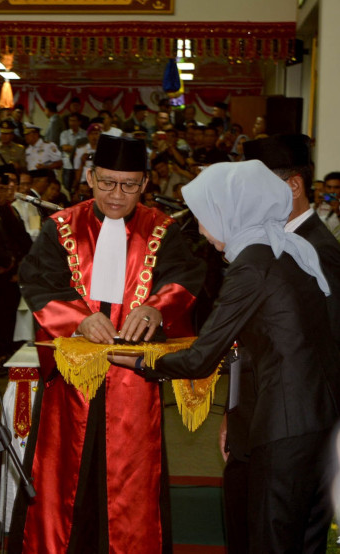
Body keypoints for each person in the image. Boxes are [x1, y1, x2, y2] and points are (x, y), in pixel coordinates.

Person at [111, 160, 340, 554]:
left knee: (273, 539)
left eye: (203, 216)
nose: (200, 229)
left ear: (229, 211)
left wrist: (142, 362)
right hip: (317, 418)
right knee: (307, 539)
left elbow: (202, 356)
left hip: (287, 423)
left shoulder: (252, 263)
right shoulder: (283, 248)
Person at [18, 134, 203, 553]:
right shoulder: (61, 226)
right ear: (89, 177)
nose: (116, 194)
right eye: (106, 182)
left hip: (132, 373)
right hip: (74, 375)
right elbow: (38, 281)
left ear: (144, 184)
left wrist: (157, 307)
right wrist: (80, 321)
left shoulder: (162, 228)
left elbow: (185, 275)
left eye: (128, 185)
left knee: (132, 474)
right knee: (66, 472)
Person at [214, 134, 340, 553]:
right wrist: (234, 412)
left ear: (292, 187)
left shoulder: (319, 252)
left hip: (293, 432)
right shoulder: (271, 245)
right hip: (257, 420)